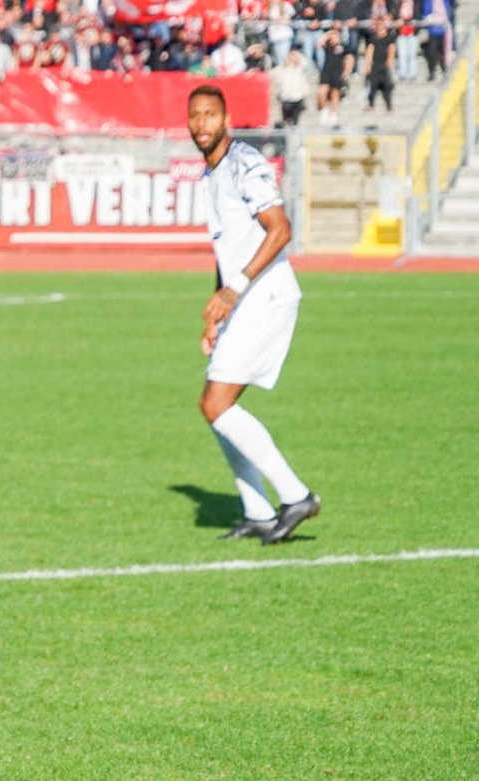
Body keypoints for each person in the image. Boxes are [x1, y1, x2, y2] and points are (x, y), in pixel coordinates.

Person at [187, 85, 319, 545]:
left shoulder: (245, 162)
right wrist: (218, 310)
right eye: (195, 115)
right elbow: (228, 251)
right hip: (243, 300)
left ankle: (296, 496)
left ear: (226, 119)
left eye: (210, 114)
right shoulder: (211, 172)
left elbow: (280, 229)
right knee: (215, 406)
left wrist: (233, 290)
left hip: (267, 296)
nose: (201, 123)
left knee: (216, 404)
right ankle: (258, 511)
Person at [361, 15, 397, 111]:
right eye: (379, 25)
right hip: (375, 65)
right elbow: (369, 52)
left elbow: (392, 50)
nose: (381, 27)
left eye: (382, 24)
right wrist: (367, 66)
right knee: (373, 86)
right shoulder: (373, 38)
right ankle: (371, 105)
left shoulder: (389, 38)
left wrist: (389, 62)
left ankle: (389, 105)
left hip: (384, 65)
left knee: (386, 87)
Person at [273, 46, 311, 127]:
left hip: (298, 98)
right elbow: (275, 77)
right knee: (286, 120)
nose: (292, 58)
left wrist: (296, 54)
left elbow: (305, 62)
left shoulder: (299, 68)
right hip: (286, 98)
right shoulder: (282, 69)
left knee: (295, 121)